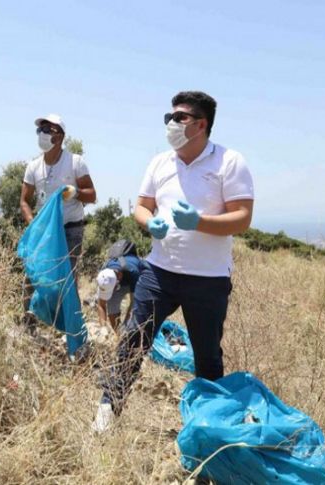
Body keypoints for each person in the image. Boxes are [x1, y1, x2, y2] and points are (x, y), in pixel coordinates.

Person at [93, 91, 255, 432]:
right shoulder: (160, 162)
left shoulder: (229, 162)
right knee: (133, 339)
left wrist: (199, 222)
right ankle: (108, 410)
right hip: (159, 270)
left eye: (179, 118)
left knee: (207, 356)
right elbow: (141, 205)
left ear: (201, 125)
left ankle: (210, 428)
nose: (171, 123)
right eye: (170, 116)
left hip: (208, 278)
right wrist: (147, 221)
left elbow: (242, 218)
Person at [19, 114, 97, 331]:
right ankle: (28, 325)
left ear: (60, 137)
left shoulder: (75, 162)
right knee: (32, 276)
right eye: (40, 130)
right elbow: (24, 201)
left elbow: (91, 196)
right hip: (44, 231)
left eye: (48, 130)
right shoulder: (33, 166)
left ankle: (73, 332)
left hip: (70, 229)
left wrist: (75, 193)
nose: (42, 134)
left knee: (66, 281)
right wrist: (33, 223)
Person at [95, 249, 147, 334]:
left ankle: (126, 333)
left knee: (136, 312)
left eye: (113, 289)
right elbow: (101, 304)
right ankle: (118, 334)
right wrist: (103, 327)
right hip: (119, 280)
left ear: (119, 277)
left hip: (133, 280)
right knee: (112, 306)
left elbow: (134, 304)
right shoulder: (104, 276)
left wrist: (126, 325)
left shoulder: (134, 272)